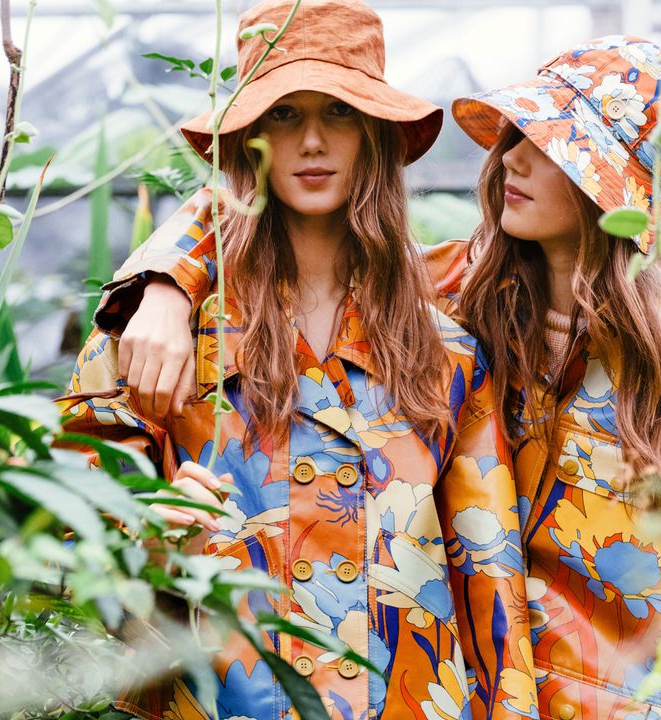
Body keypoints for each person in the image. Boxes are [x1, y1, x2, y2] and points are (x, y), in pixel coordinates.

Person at [109, 32, 661, 720]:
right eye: (515, 138)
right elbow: (282, 214)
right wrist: (167, 282)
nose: (515, 162)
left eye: (555, 149)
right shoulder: (455, 298)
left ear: (616, 193)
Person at [57, 2, 538, 720]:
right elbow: (68, 532)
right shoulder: (154, 335)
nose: (312, 141)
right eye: (284, 115)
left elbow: (490, 578)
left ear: (375, 134)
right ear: (249, 137)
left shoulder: (447, 354)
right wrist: (157, 538)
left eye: (338, 113)